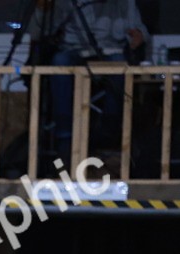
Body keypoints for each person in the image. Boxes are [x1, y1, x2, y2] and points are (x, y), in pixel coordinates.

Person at [33, 0, 149, 154]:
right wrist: (42, 10)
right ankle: (64, 133)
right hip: (73, 51)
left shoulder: (124, 3)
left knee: (119, 64)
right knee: (59, 62)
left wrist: (139, 35)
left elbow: (140, 29)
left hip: (109, 51)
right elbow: (41, 30)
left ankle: (110, 126)